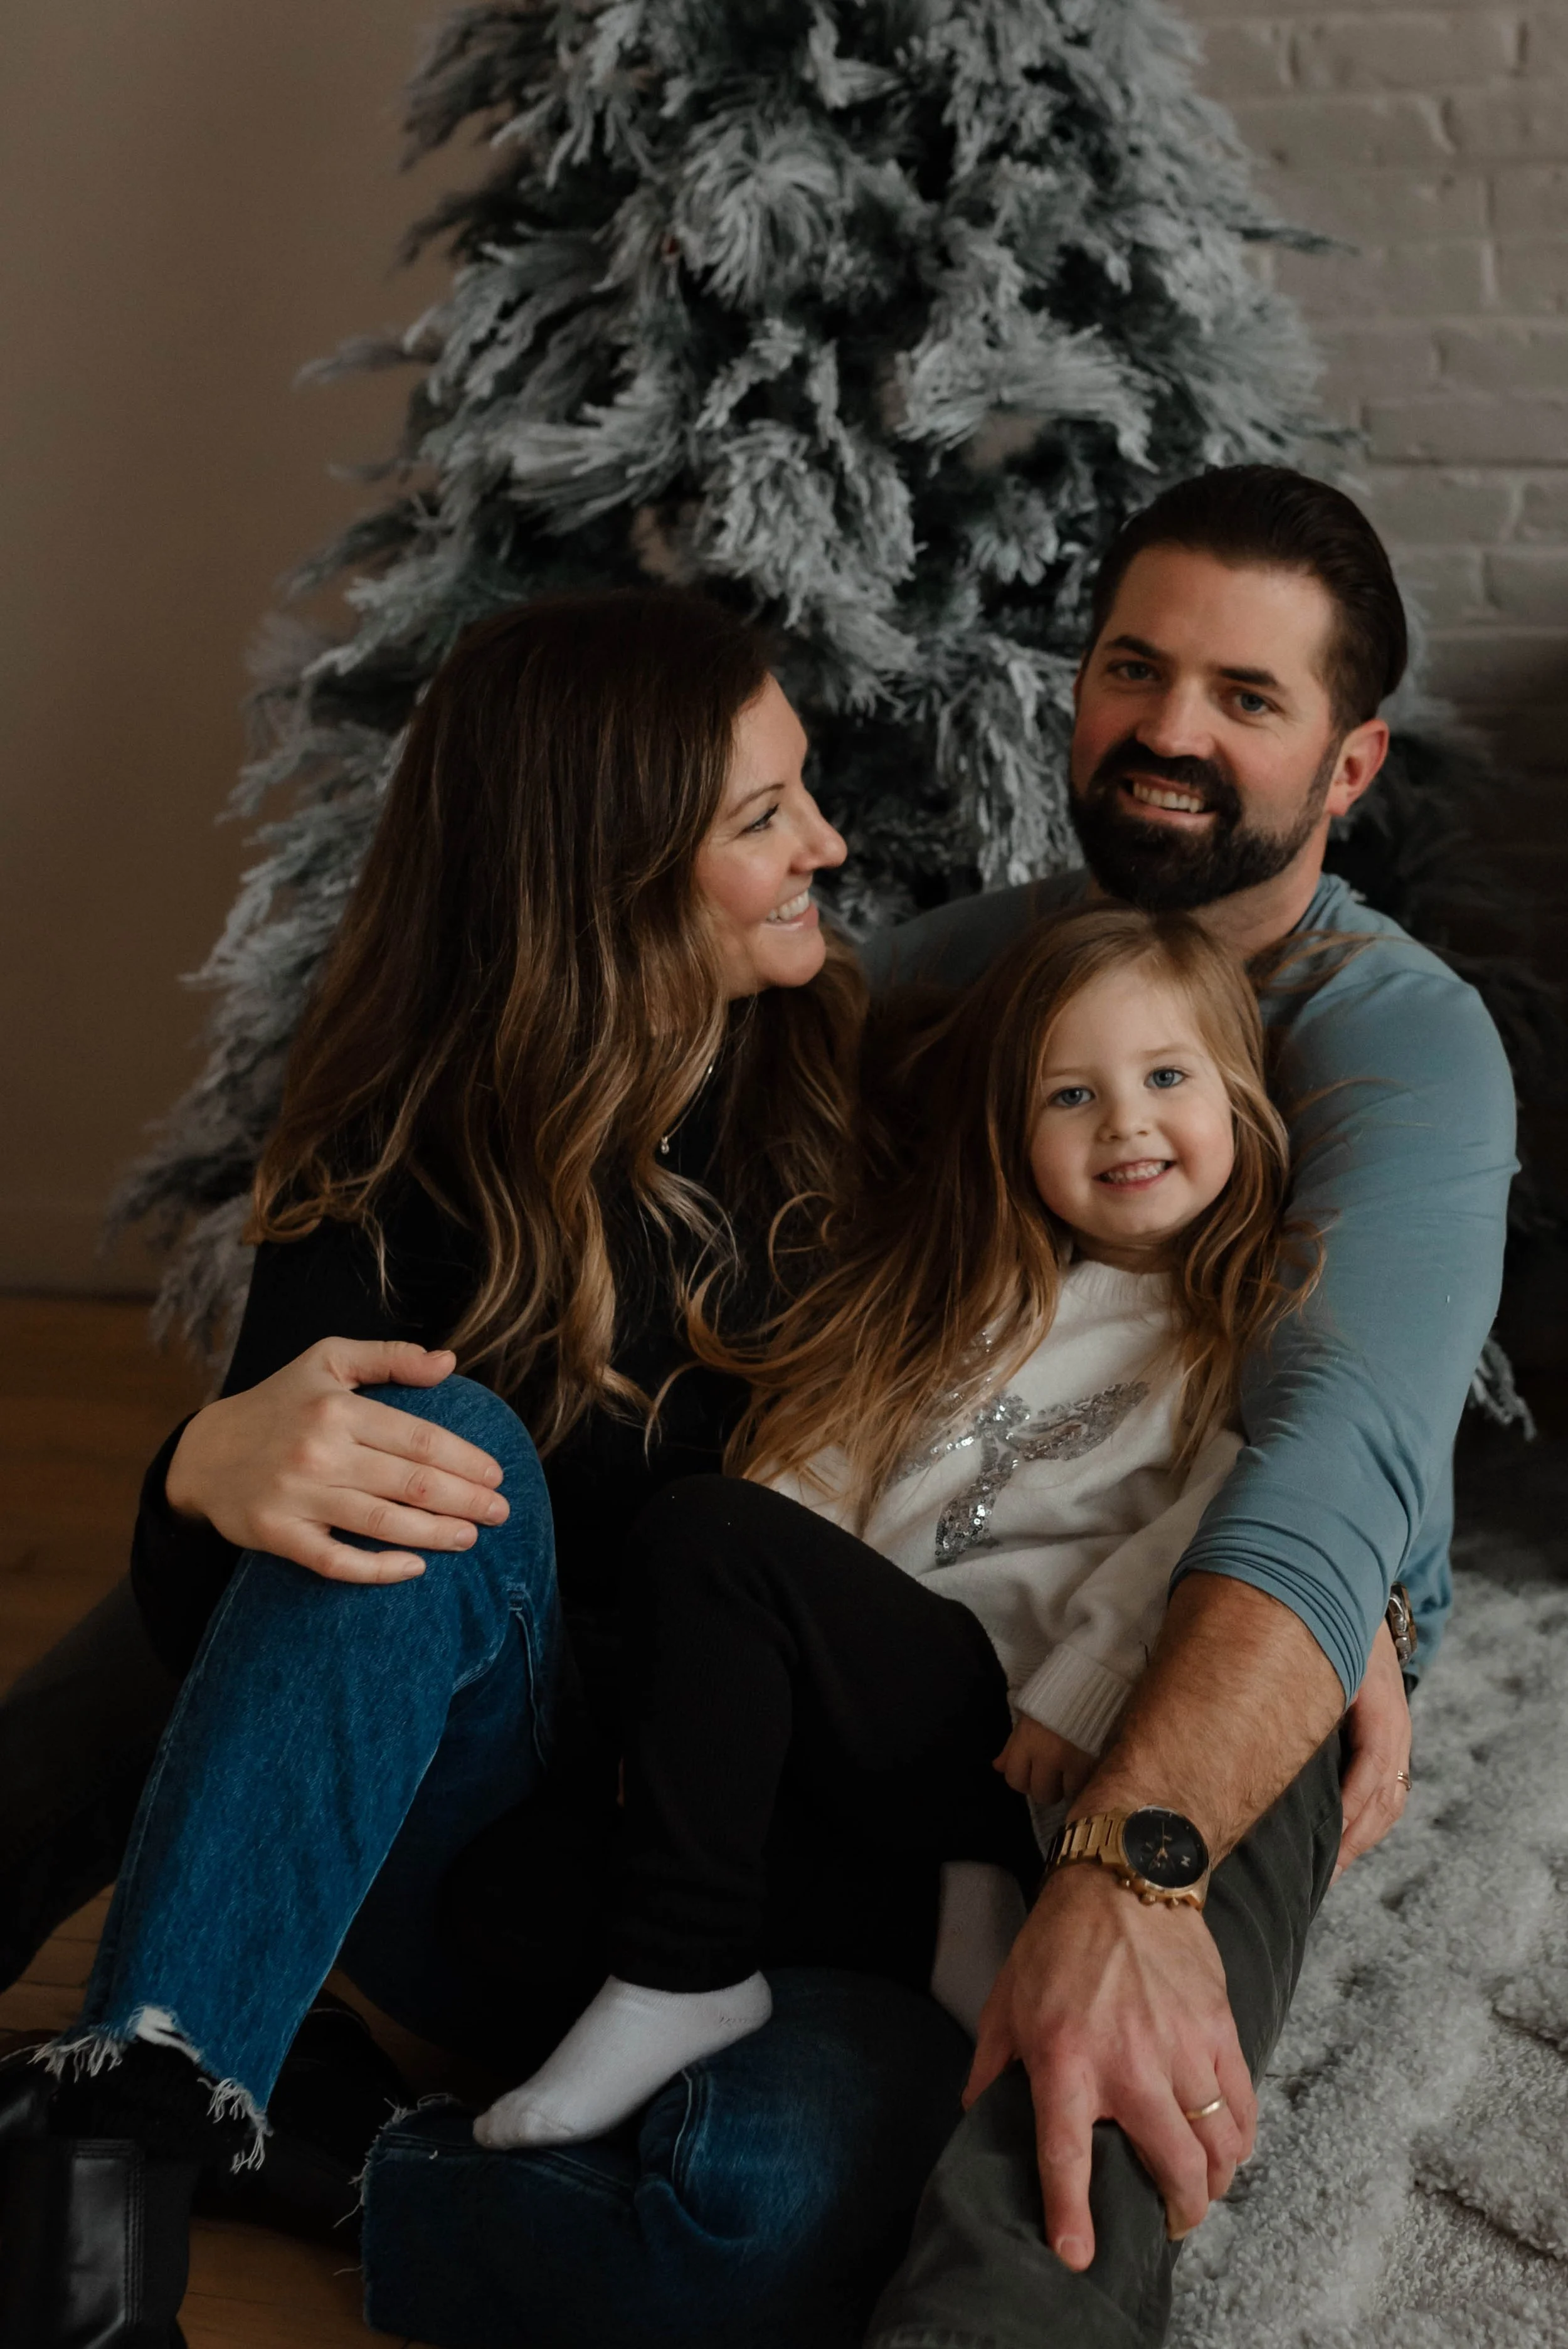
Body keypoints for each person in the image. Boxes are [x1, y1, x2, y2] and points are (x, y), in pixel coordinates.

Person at [0, 587, 977, 2349]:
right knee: (413, 1446)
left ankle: (342, 2154)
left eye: (801, 791)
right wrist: (200, 1477)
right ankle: (105, 2208)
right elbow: (260, 1617)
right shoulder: (403, 1149)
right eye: (764, 819)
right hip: (487, 1880)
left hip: (757, 1905)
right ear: (606, 873)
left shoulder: (869, 1094)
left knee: (744, 2226)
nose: (828, 843)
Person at [846, 465, 1516, 2349]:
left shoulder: (1396, 1036)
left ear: (1350, 765)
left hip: (1223, 1604)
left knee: (1270, 1677)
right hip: (945, 1556)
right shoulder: (964, 970)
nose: (1166, 731)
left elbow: (1331, 1458)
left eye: (1245, 698)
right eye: (1134, 670)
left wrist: (1134, 1866)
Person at [472, 904, 1322, 2152]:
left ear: (1240, 1103)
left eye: (1161, 1077)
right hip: (858, 1729)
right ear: (1011, 1133)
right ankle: (931, 1926)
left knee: (701, 1532)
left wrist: (1083, 1687)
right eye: (1068, 1097)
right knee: (503, 1903)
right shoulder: (977, 1290)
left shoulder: (1238, 1328)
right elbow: (814, 1473)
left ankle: (684, 1972)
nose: (1125, 1122)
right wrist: (694, 1693)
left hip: (1014, 1721)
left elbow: (1208, 1530)